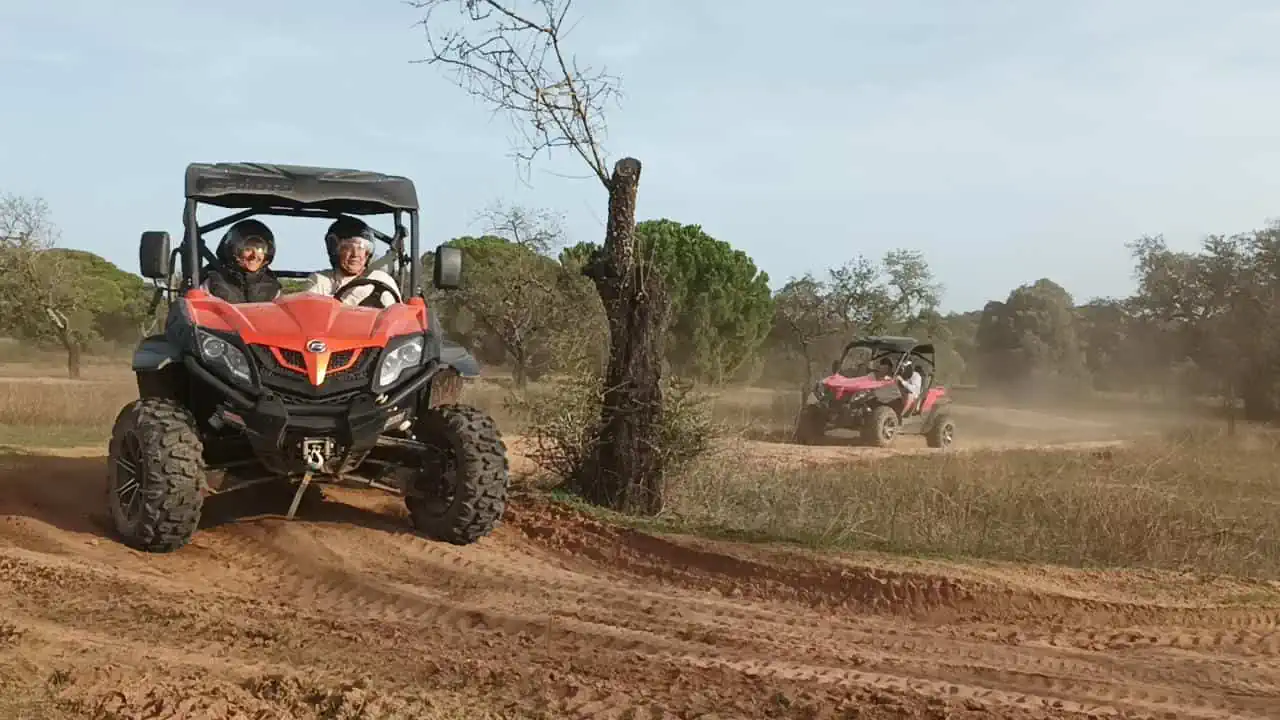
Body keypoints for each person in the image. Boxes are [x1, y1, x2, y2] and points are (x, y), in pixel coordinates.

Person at [302, 217, 401, 308]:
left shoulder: (382, 279)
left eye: (361, 248)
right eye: (348, 247)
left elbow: (396, 319)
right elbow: (310, 314)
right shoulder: (320, 281)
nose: (356, 254)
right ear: (335, 250)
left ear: (368, 252)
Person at [201, 219, 282, 303]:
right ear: (232, 251)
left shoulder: (273, 288)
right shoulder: (211, 282)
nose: (254, 256)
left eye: (260, 249)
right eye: (248, 249)